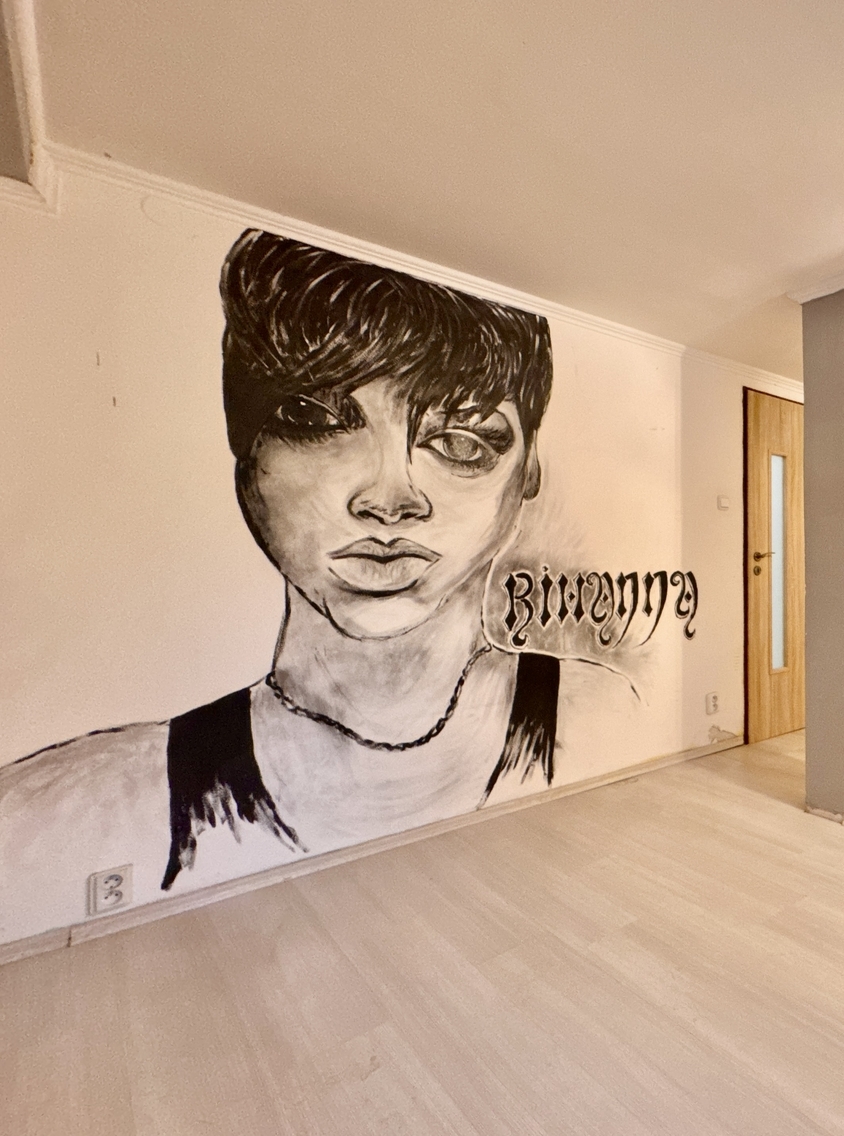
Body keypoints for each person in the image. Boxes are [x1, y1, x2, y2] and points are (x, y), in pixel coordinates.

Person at [0, 230, 617, 929]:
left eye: (461, 442)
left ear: (529, 471)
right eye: (315, 420)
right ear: (243, 446)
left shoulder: (608, 714)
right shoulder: (68, 816)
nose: (389, 500)